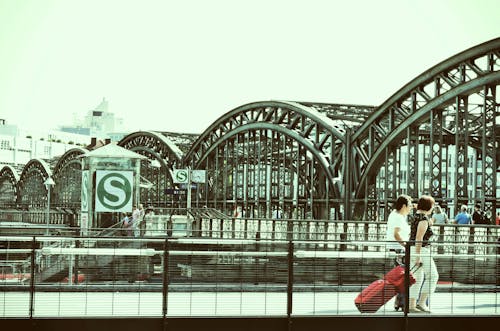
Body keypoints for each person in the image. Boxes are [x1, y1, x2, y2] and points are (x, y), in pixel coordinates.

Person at [408, 195, 439, 313]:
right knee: (433, 275)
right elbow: (419, 237)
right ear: (429, 206)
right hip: (421, 250)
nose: (434, 207)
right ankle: (421, 303)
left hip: (412, 249)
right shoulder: (423, 219)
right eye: (433, 205)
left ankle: (411, 305)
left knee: (417, 278)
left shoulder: (416, 216)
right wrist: (418, 255)